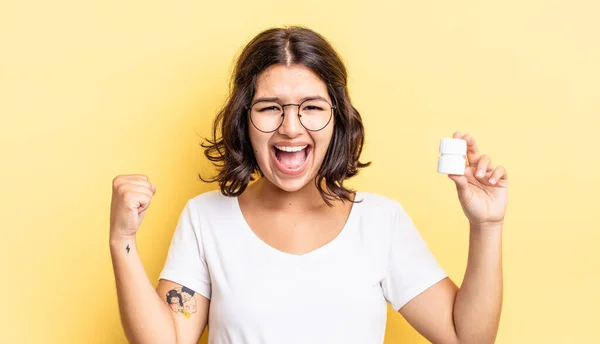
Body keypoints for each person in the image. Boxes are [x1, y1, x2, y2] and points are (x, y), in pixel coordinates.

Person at [109, 26, 508, 344]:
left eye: (312, 107)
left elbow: (466, 337)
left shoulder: (381, 221)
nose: (290, 127)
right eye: (270, 108)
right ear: (243, 119)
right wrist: (122, 240)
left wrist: (486, 226)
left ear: (337, 119)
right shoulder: (205, 218)